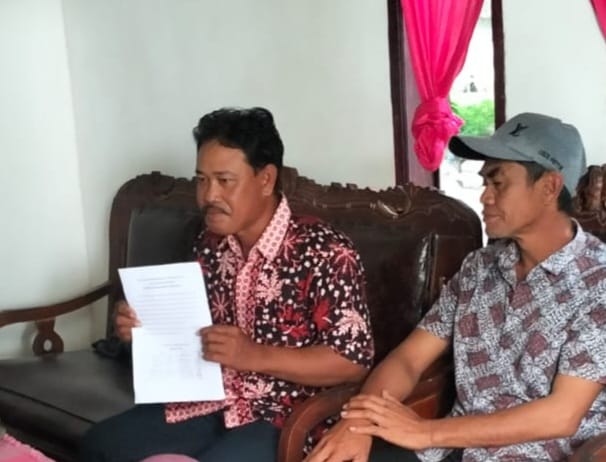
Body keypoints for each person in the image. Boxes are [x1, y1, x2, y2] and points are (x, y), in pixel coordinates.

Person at [306, 112, 606, 462]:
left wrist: (425, 432)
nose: (485, 197)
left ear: (549, 187)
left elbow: (561, 414)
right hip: (452, 449)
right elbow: (408, 360)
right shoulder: (479, 267)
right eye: (485, 183)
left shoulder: (597, 281)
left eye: (498, 183)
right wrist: (358, 423)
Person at [79, 107, 374, 462]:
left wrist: (254, 355)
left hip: (284, 415)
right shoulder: (210, 243)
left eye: (224, 180)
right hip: (208, 400)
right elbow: (191, 332)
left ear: (266, 179)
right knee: (101, 445)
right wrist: (142, 329)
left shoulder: (326, 251)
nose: (209, 196)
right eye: (201, 180)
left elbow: (351, 361)